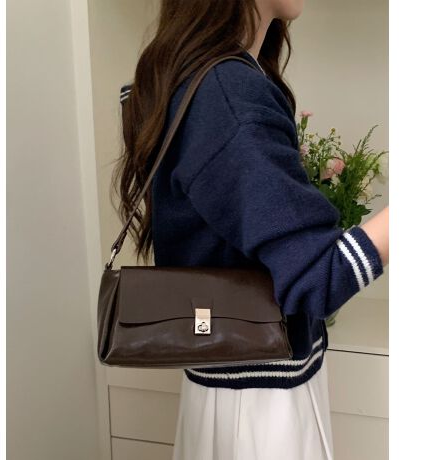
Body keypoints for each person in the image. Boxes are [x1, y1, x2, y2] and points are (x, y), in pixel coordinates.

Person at [113, 1, 389, 459]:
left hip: (240, 390)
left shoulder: (213, 78)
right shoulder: (227, 90)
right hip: (260, 409)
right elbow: (316, 278)